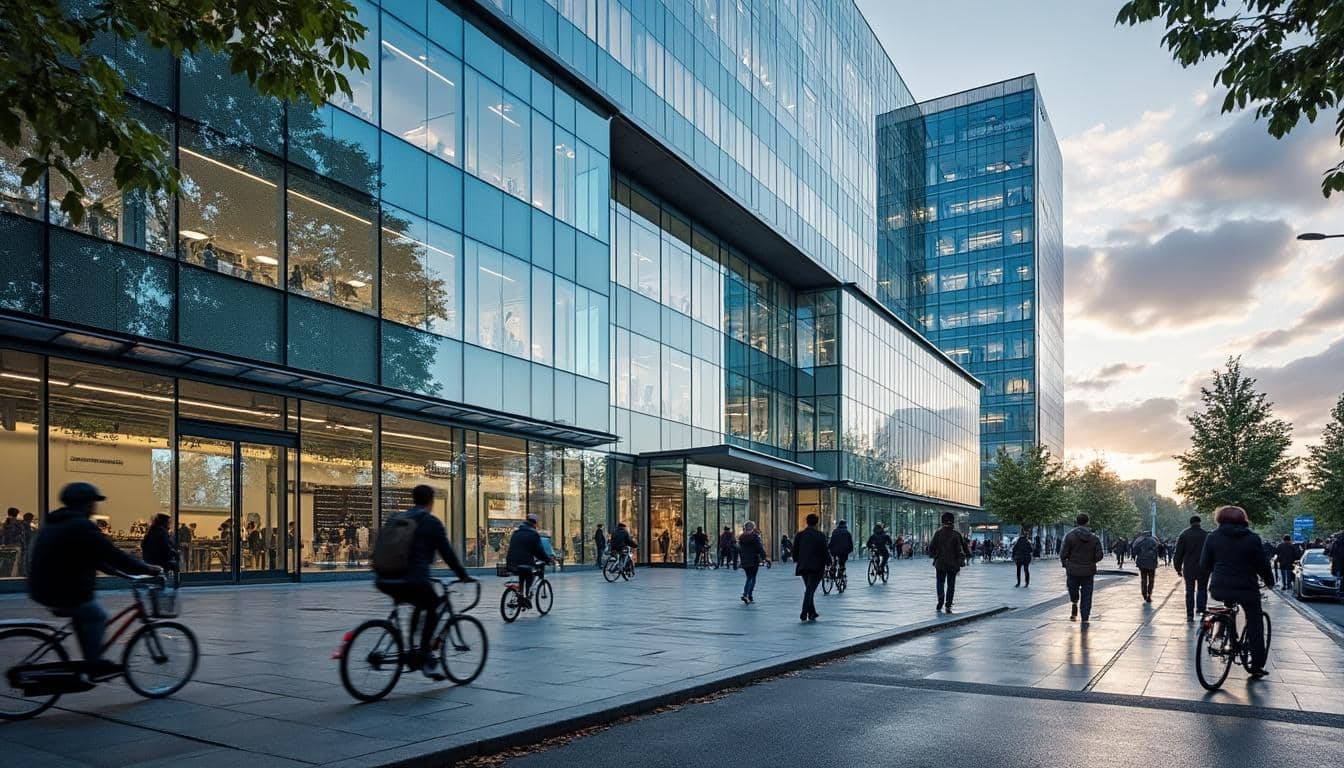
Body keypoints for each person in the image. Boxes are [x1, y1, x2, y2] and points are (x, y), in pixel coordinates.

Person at [28, 483, 163, 676]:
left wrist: (119, 573)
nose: (95, 506)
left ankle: (89, 662)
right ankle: (94, 664)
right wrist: (147, 568)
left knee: (85, 616)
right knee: (97, 615)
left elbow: (91, 556)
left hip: (45, 586)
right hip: (60, 589)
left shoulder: (56, 522)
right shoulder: (81, 525)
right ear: (88, 503)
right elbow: (112, 554)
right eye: (93, 502)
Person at [374, 485, 473, 677]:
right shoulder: (431, 522)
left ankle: (412, 648)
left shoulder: (398, 518)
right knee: (433, 604)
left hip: (384, 578)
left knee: (420, 603)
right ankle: (424, 653)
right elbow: (448, 553)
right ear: (431, 502)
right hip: (411, 579)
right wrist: (463, 575)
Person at [1200, 505, 1274, 676]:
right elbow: (1262, 564)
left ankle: (1228, 637)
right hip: (1246, 587)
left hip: (1219, 586)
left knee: (1228, 607)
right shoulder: (1252, 539)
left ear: (1220, 519)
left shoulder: (1213, 537)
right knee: (1255, 621)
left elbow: (1204, 564)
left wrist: (1218, 571)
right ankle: (1256, 665)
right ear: (1243, 519)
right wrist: (1269, 581)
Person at [1060, 514, 1104, 623]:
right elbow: (1099, 555)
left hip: (1073, 570)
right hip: (1088, 571)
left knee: (1072, 589)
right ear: (1087, 522)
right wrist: (1091, 561)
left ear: (1076, 522)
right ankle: (1085, 616)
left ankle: (1074, 601)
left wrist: (1066, 564)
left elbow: (1063, 553)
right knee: (1087, 594)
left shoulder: (1069, 536)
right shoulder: (1094, 538)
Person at [506, 513, 556, 606]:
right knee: (530, 573)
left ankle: (520, 594)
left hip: (510, 562)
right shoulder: (533, 534)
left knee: (522, 573)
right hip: (524, 562)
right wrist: (548, 560)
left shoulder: (516, 532)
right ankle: (527, 597)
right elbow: (539, 551)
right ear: (535, 523)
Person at [927, 512, 969, 613]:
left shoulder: (938, 533)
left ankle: (940, 600)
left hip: (940, 563)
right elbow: (964, 547)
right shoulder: (956, 534)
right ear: (953, 522)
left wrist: (934, 556)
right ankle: (948, 604)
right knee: (951, 584)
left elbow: (931, 548)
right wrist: (967, 556)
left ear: (942, 521)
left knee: (940, 582)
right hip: (953, 563)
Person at [1173, 515, 1210, 621]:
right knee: (1202, 589)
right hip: (1203, 567)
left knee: (1189, 591)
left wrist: (1178, 568)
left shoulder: (1184, 535)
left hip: (1189, 567)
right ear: (1200, 522)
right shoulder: (1206, 535)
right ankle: (1201, 610)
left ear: (1190, 523)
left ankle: (1190, 614)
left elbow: (1178, 554)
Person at [793, 514, 828, 622]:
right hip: (817, 566)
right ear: (816, 522)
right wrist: (829, 562)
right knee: (810, 589)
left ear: (807, 522)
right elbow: (824, 551)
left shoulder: (800, 535)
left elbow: (795, 550)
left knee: (809, 588)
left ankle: (812, 612)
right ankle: (804, 611)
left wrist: (797, 560)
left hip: (803, 565)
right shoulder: (820, 535)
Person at [737, 522, 768, 604]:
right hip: (753, 560)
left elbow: (740, 548)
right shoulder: (754, 537)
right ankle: (746, 594)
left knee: (749, 577)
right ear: (753, 528)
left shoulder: (741, 537)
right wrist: (765, 557)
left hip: (744, 560)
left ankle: (749, 595)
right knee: (751, 577)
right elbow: (759, 548)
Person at [1131, 530, 1160, 603]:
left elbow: (1135, 550)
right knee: (1151, 579)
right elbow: (1159, 550)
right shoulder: (1155, 541)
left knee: (1143, 579)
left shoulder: (1139, 541)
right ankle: (1149, 594)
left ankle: (1144, 594)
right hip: (1152, 563)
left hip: (1142, 563)